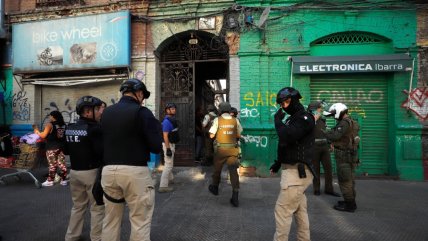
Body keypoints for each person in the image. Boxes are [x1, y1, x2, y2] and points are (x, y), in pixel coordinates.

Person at [100, 78, 162, 241]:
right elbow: (155, 146)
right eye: (143, 95)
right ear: (139, 93)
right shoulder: (142, 112)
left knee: (110, 221)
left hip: (108, 172)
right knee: (140, 221)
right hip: (135, 173)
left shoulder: (106, 112)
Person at [269, 87, 315, 241]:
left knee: (282, 211)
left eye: (287, 102)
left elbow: (288, 136)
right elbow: (285, 144)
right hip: (293, 173)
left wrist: (277, 121)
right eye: (281, 104)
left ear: (295, 100)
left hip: (297, 174)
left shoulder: (304, 118)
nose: (284, 106)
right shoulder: (292, 119)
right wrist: (278, 162)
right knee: (300, 211)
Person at [64, 96, 105, 241]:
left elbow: (66, 151)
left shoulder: (69, 128)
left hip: (74, 173)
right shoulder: (95, 129)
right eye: (98, 109)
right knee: (97, 207)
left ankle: (71, 237)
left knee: (77, 206)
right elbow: (101, 152)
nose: (101, 112)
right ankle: (96, 238)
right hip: (91, 173)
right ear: (87, 112)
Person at [323, 103, 357, 212]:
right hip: (350, 154)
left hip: (344, 155)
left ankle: (350, 205)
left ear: (340, 111)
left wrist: (324, 132)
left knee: (344, 180)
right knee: (349, 179)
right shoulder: (351, 121)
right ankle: (350, 201)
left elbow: (335, 135)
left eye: (334, 114)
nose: (333, 116)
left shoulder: (344, 123)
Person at [208, 102, 243, 207]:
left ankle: (215, 187)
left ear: (220, 110)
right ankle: (235, 196)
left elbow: (211, 135)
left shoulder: (217, 120)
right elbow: (239, 134)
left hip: (220, 150)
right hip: (233, 150)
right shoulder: (235, 120)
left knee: (217, 169)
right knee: (233, 172)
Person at [307, 101, 340, 197]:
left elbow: (325, 132)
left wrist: (330, 143)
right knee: (315, 169)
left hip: (324, 146)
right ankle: (316, 189)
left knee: (328, 168)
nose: (321, 110)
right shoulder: (308, 120)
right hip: (314, 147)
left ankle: (329, 189)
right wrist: (313, 120)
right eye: (319, 108)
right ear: (313, 110)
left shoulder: (322, 120)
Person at [34, 110, 67, 187]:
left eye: (50, 116)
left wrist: (37, 131)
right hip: (61, 147)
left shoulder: (50, 125)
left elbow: (43, 135)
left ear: (53, 117)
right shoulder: (63, 125)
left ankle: (50, 181)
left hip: (51, 147)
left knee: (52, 165)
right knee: (62, 164)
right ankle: (63, 180)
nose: (49, 117)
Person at [159, 103, 180, 193]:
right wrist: (168, 149)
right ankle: (163, 186)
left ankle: (170, 179)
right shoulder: (167, 122)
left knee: (170, 162)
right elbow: (165, 136)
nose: (174, 110)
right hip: (168, 145)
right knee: (168, 165)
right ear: (167, 110)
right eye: (171, 109)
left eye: (174, 108)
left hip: (171, 144)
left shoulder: (171, 120)